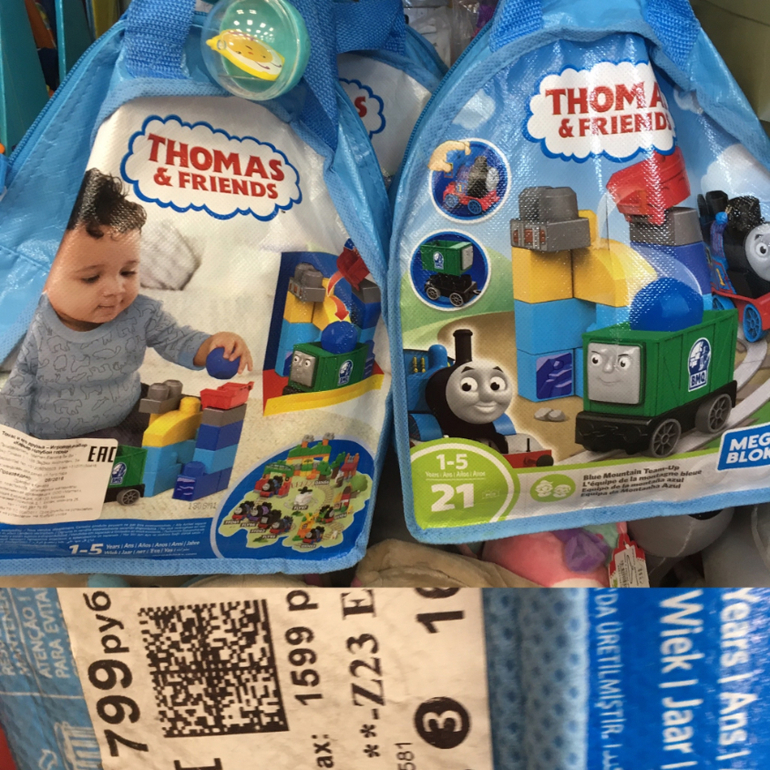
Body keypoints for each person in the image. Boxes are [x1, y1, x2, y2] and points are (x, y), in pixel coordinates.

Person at [0, 169, 253, 442]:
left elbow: (178, 340)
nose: (116, 289)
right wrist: (14, 441)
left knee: (198, 416)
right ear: (40, 277)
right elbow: (15, 393)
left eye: (128, 272)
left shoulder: (141, 313)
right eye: (91, 278)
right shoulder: (30, 324)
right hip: (58, 435)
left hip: (127, 407)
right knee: (120, 449)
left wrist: (213, 344)